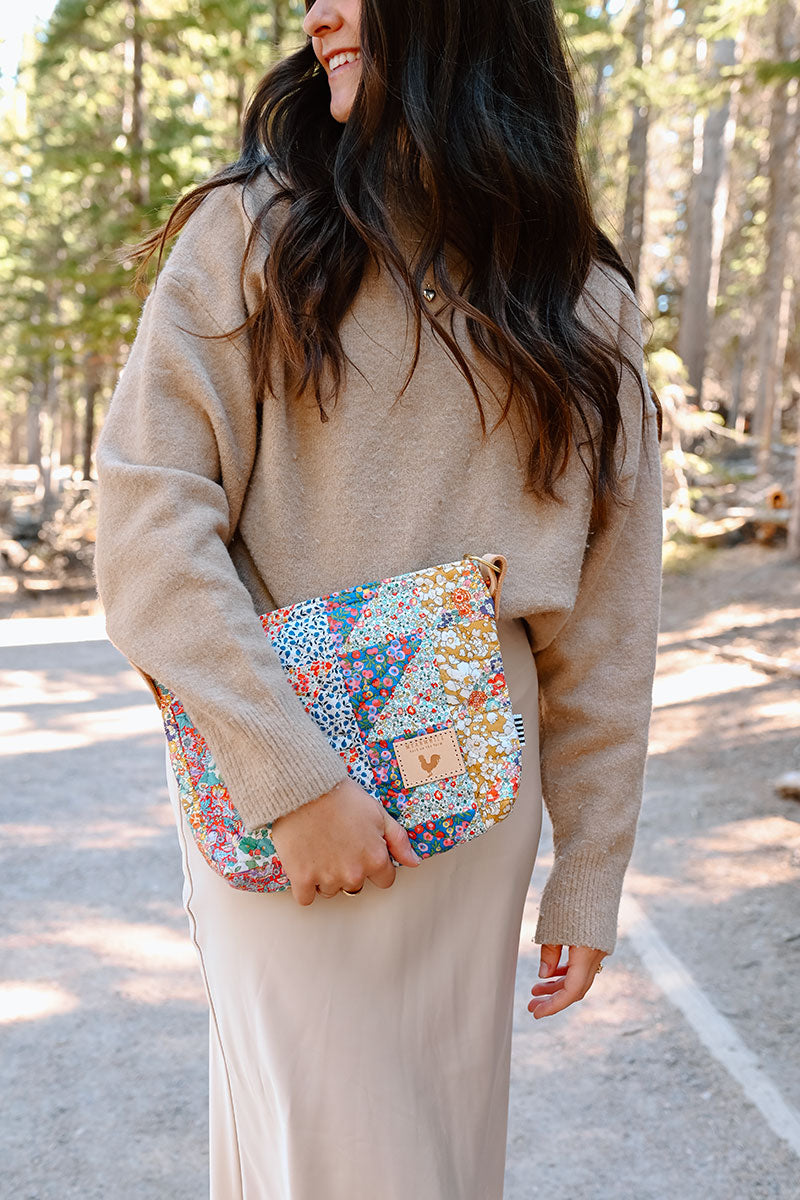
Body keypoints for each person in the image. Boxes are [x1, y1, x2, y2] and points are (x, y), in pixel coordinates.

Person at [93, 0, 664, 1195]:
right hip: (279, 796)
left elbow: (605, 621)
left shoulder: (582, 300)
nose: (318, 12)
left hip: (472, 814)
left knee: (433, 1152)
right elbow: (149, 525)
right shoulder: (249, 235)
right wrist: (293, 783)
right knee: (326, 1153)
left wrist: (588, 869)